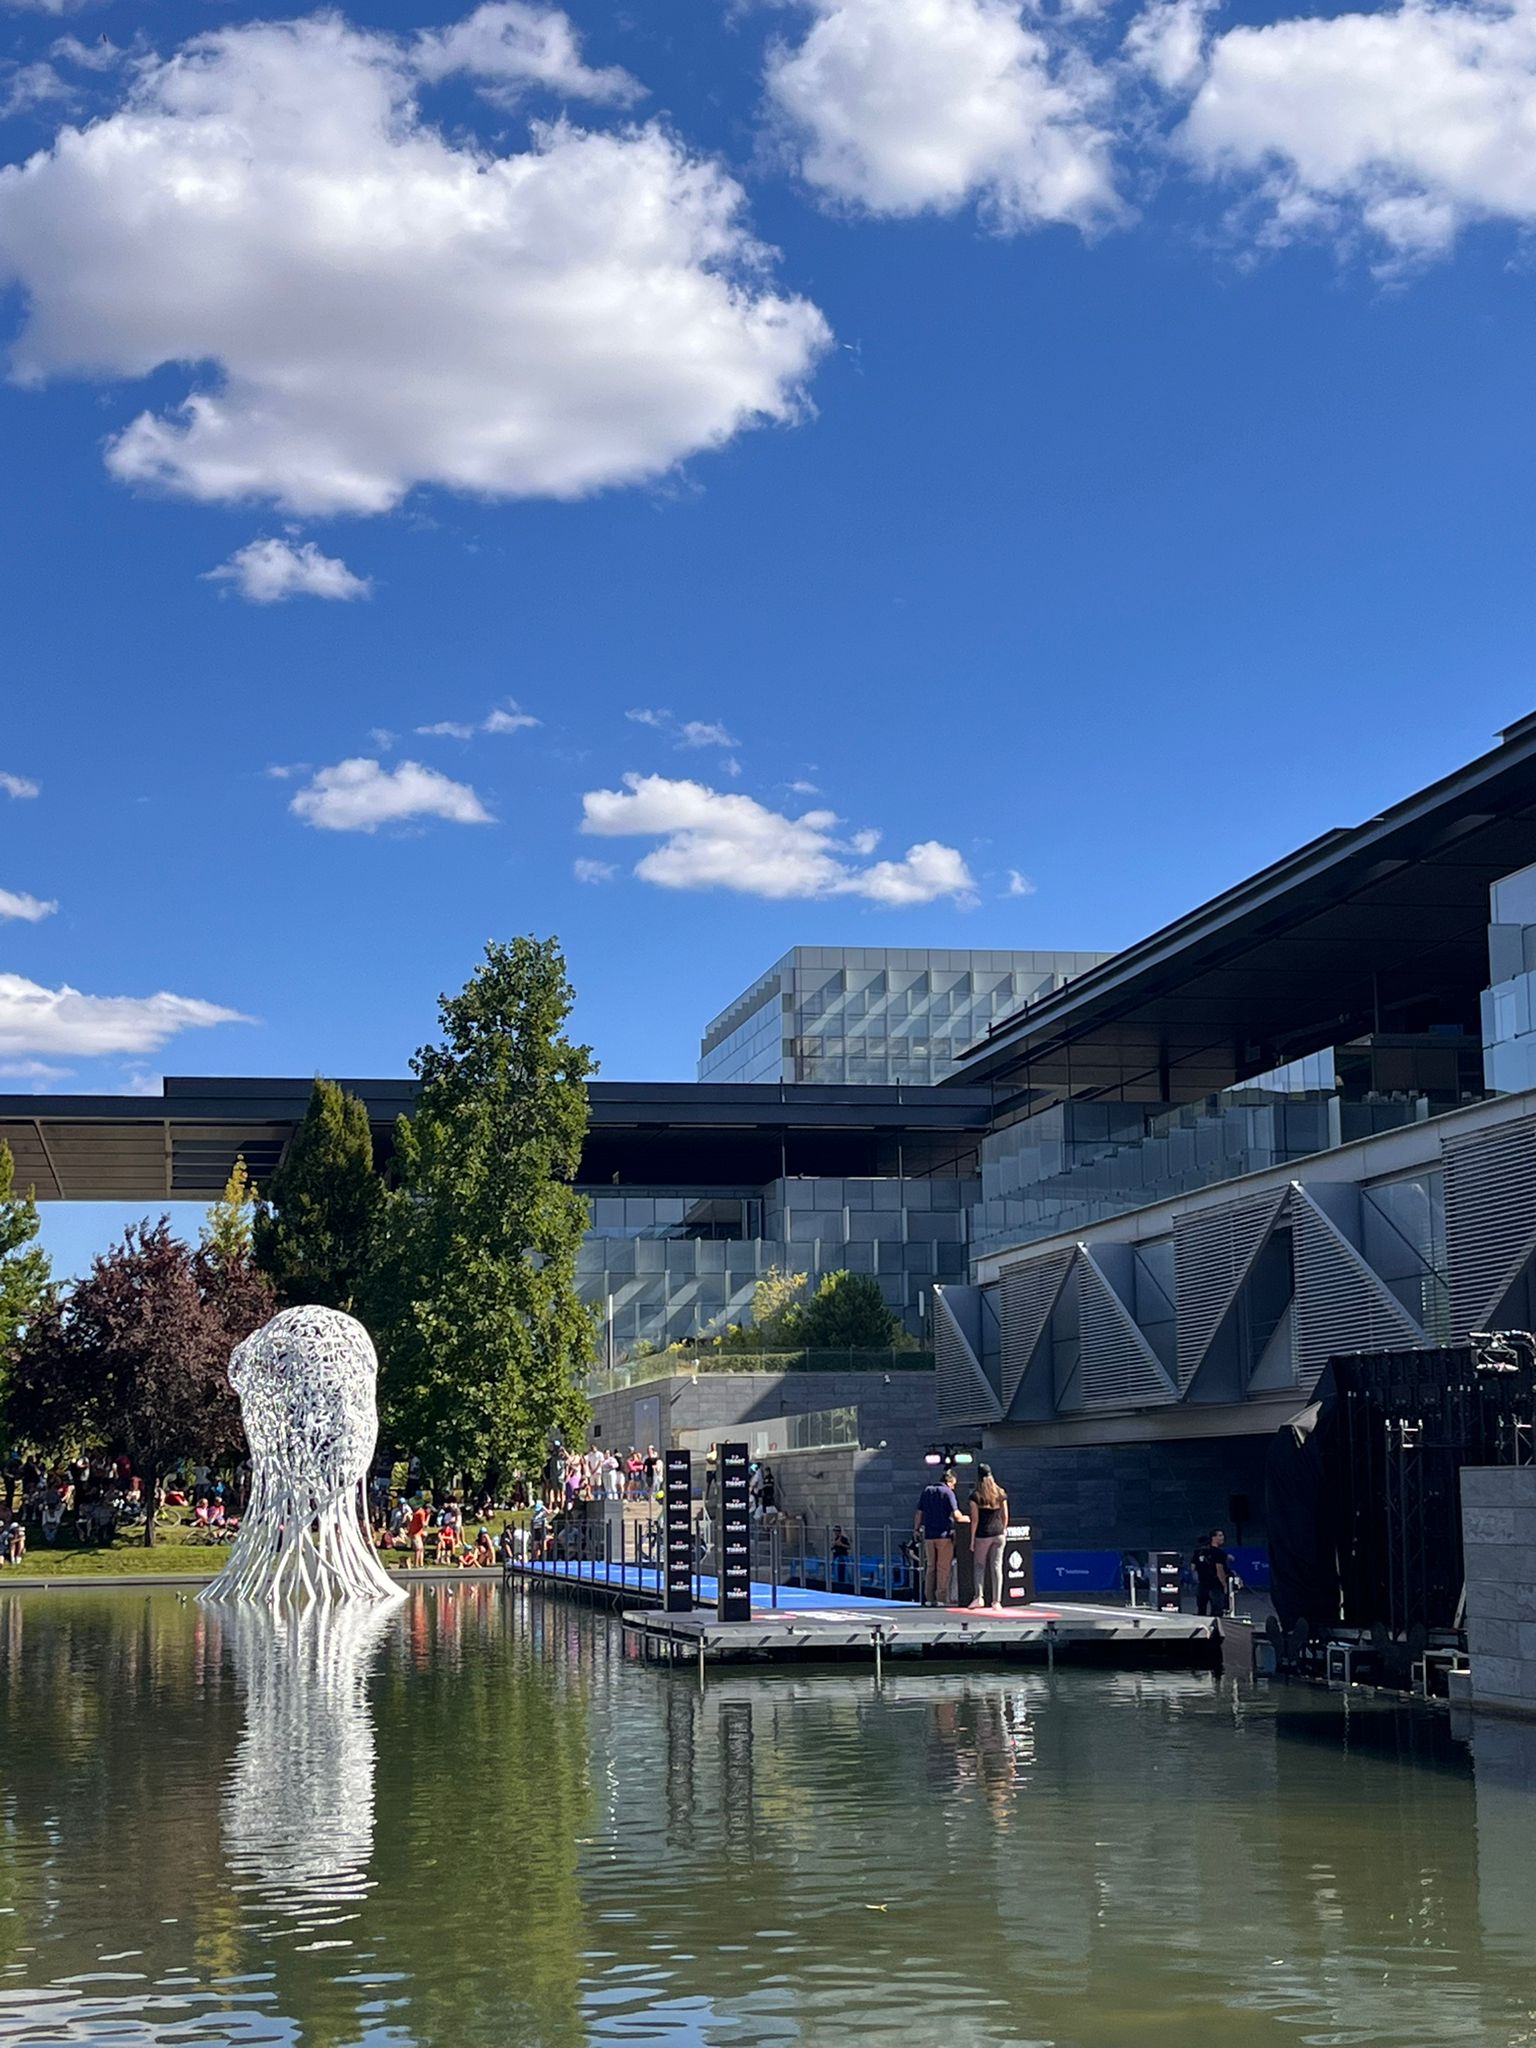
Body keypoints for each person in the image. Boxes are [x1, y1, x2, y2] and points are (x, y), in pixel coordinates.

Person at [914, 1468, 962, 1606]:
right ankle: (940, 1598)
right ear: (950, 1481)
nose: (954, 1487)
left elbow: (919, 1513)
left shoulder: (927, 1490)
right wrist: (968, 1518)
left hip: (929, 1535)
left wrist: (916, 1529)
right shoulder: (948, 1492)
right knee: (943, 1568)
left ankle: (928, 1598)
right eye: (954, 1484)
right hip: (944, 1535)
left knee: (930, 1567)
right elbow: (956, 1514)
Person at [967, 1464, 1009, 1608]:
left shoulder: (976, 1495)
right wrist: (1004, 1529)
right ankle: (997, 1601)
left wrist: (972, 1539)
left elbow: (975, 1520)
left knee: (979, 1566)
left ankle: (979, 1597)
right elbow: (1005, 1515)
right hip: (998, 1533)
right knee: (997, 1567)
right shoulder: (1000, 1493)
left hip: (983, 1534)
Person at [1193, 1528, 1236, 1617]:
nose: (1223, 1538)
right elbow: (1219, 1570)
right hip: (1215, 1586)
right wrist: (1224, 1585)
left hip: (1202, 1585)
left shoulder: (1198, 1552)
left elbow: (1193, 1567)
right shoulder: (1218, 1553)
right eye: (1220, 1535)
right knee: (1217, 1611)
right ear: (1213, 1538)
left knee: (1201, 1611)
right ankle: (1215, 1629)